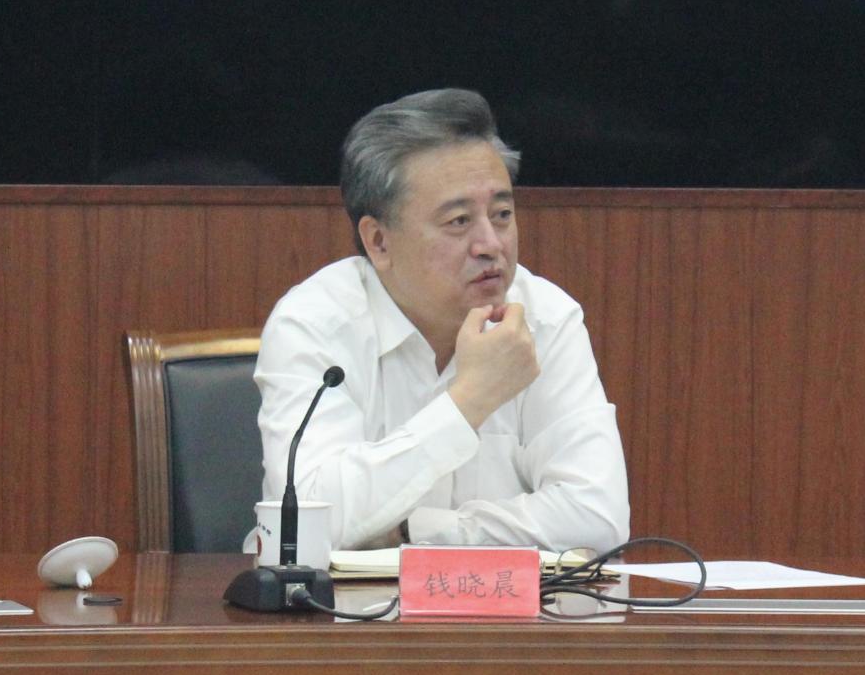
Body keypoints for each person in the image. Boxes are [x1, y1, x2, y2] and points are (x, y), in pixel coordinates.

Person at [253, 88, 629, 552]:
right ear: (379, 242)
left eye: (502, 214)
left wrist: (418, 530)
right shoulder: (314, 324)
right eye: (458, 222)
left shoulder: (547, 319)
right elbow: (307, 523)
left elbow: (597, 517)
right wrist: (468, 401)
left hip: (505, 602)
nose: (491, 244)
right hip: (340, 601)